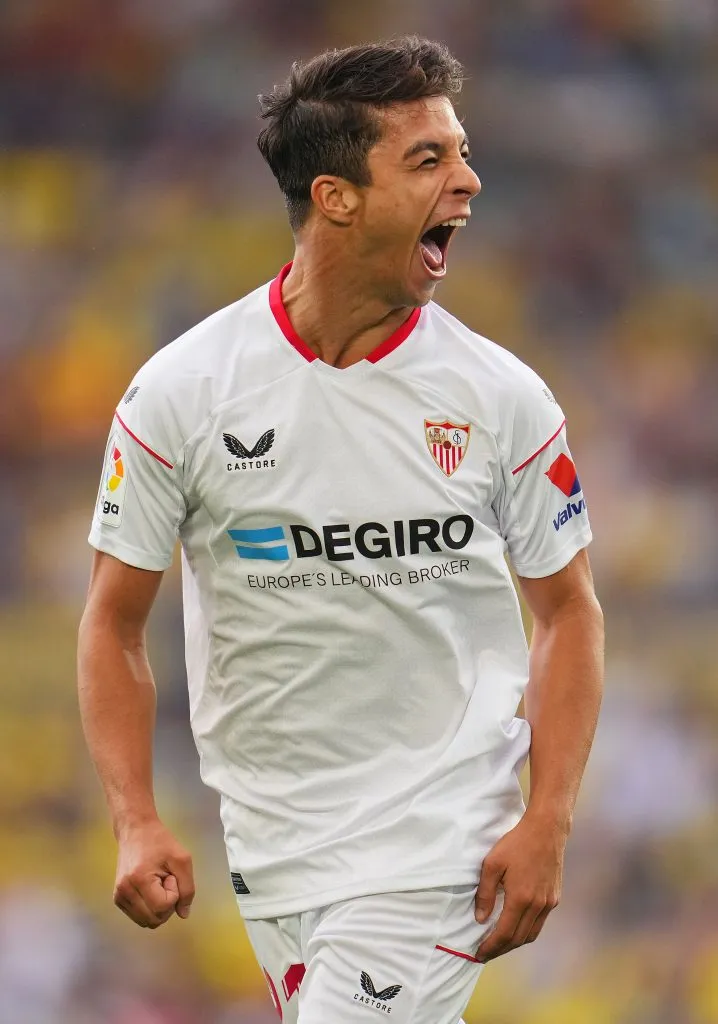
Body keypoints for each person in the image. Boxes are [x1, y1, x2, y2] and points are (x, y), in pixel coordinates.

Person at [78, 36, 604, 1024]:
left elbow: (568, 612)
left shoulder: (500, 398)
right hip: (276, 850)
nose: (468, 179)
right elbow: (112, 619)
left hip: (439, 842)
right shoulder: (183, 393)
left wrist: (549, 817)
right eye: (429, 159)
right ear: (335, 196)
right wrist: (136, 817)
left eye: (461, 151)